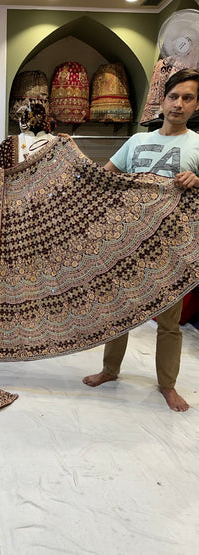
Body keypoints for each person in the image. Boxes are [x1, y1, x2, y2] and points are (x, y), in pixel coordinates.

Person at [83, 68, 199, 412]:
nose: (178, 104)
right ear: (161, 101)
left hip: (171, 248)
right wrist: (67, 155)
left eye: (187, 98)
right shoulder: (135, 141)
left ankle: (167, 385)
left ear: (196, 105)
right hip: (128, 242)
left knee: (169, 320)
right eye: (173, 96)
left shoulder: (197, 145)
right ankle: (110, 370)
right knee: (119, 310)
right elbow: (103, 180)